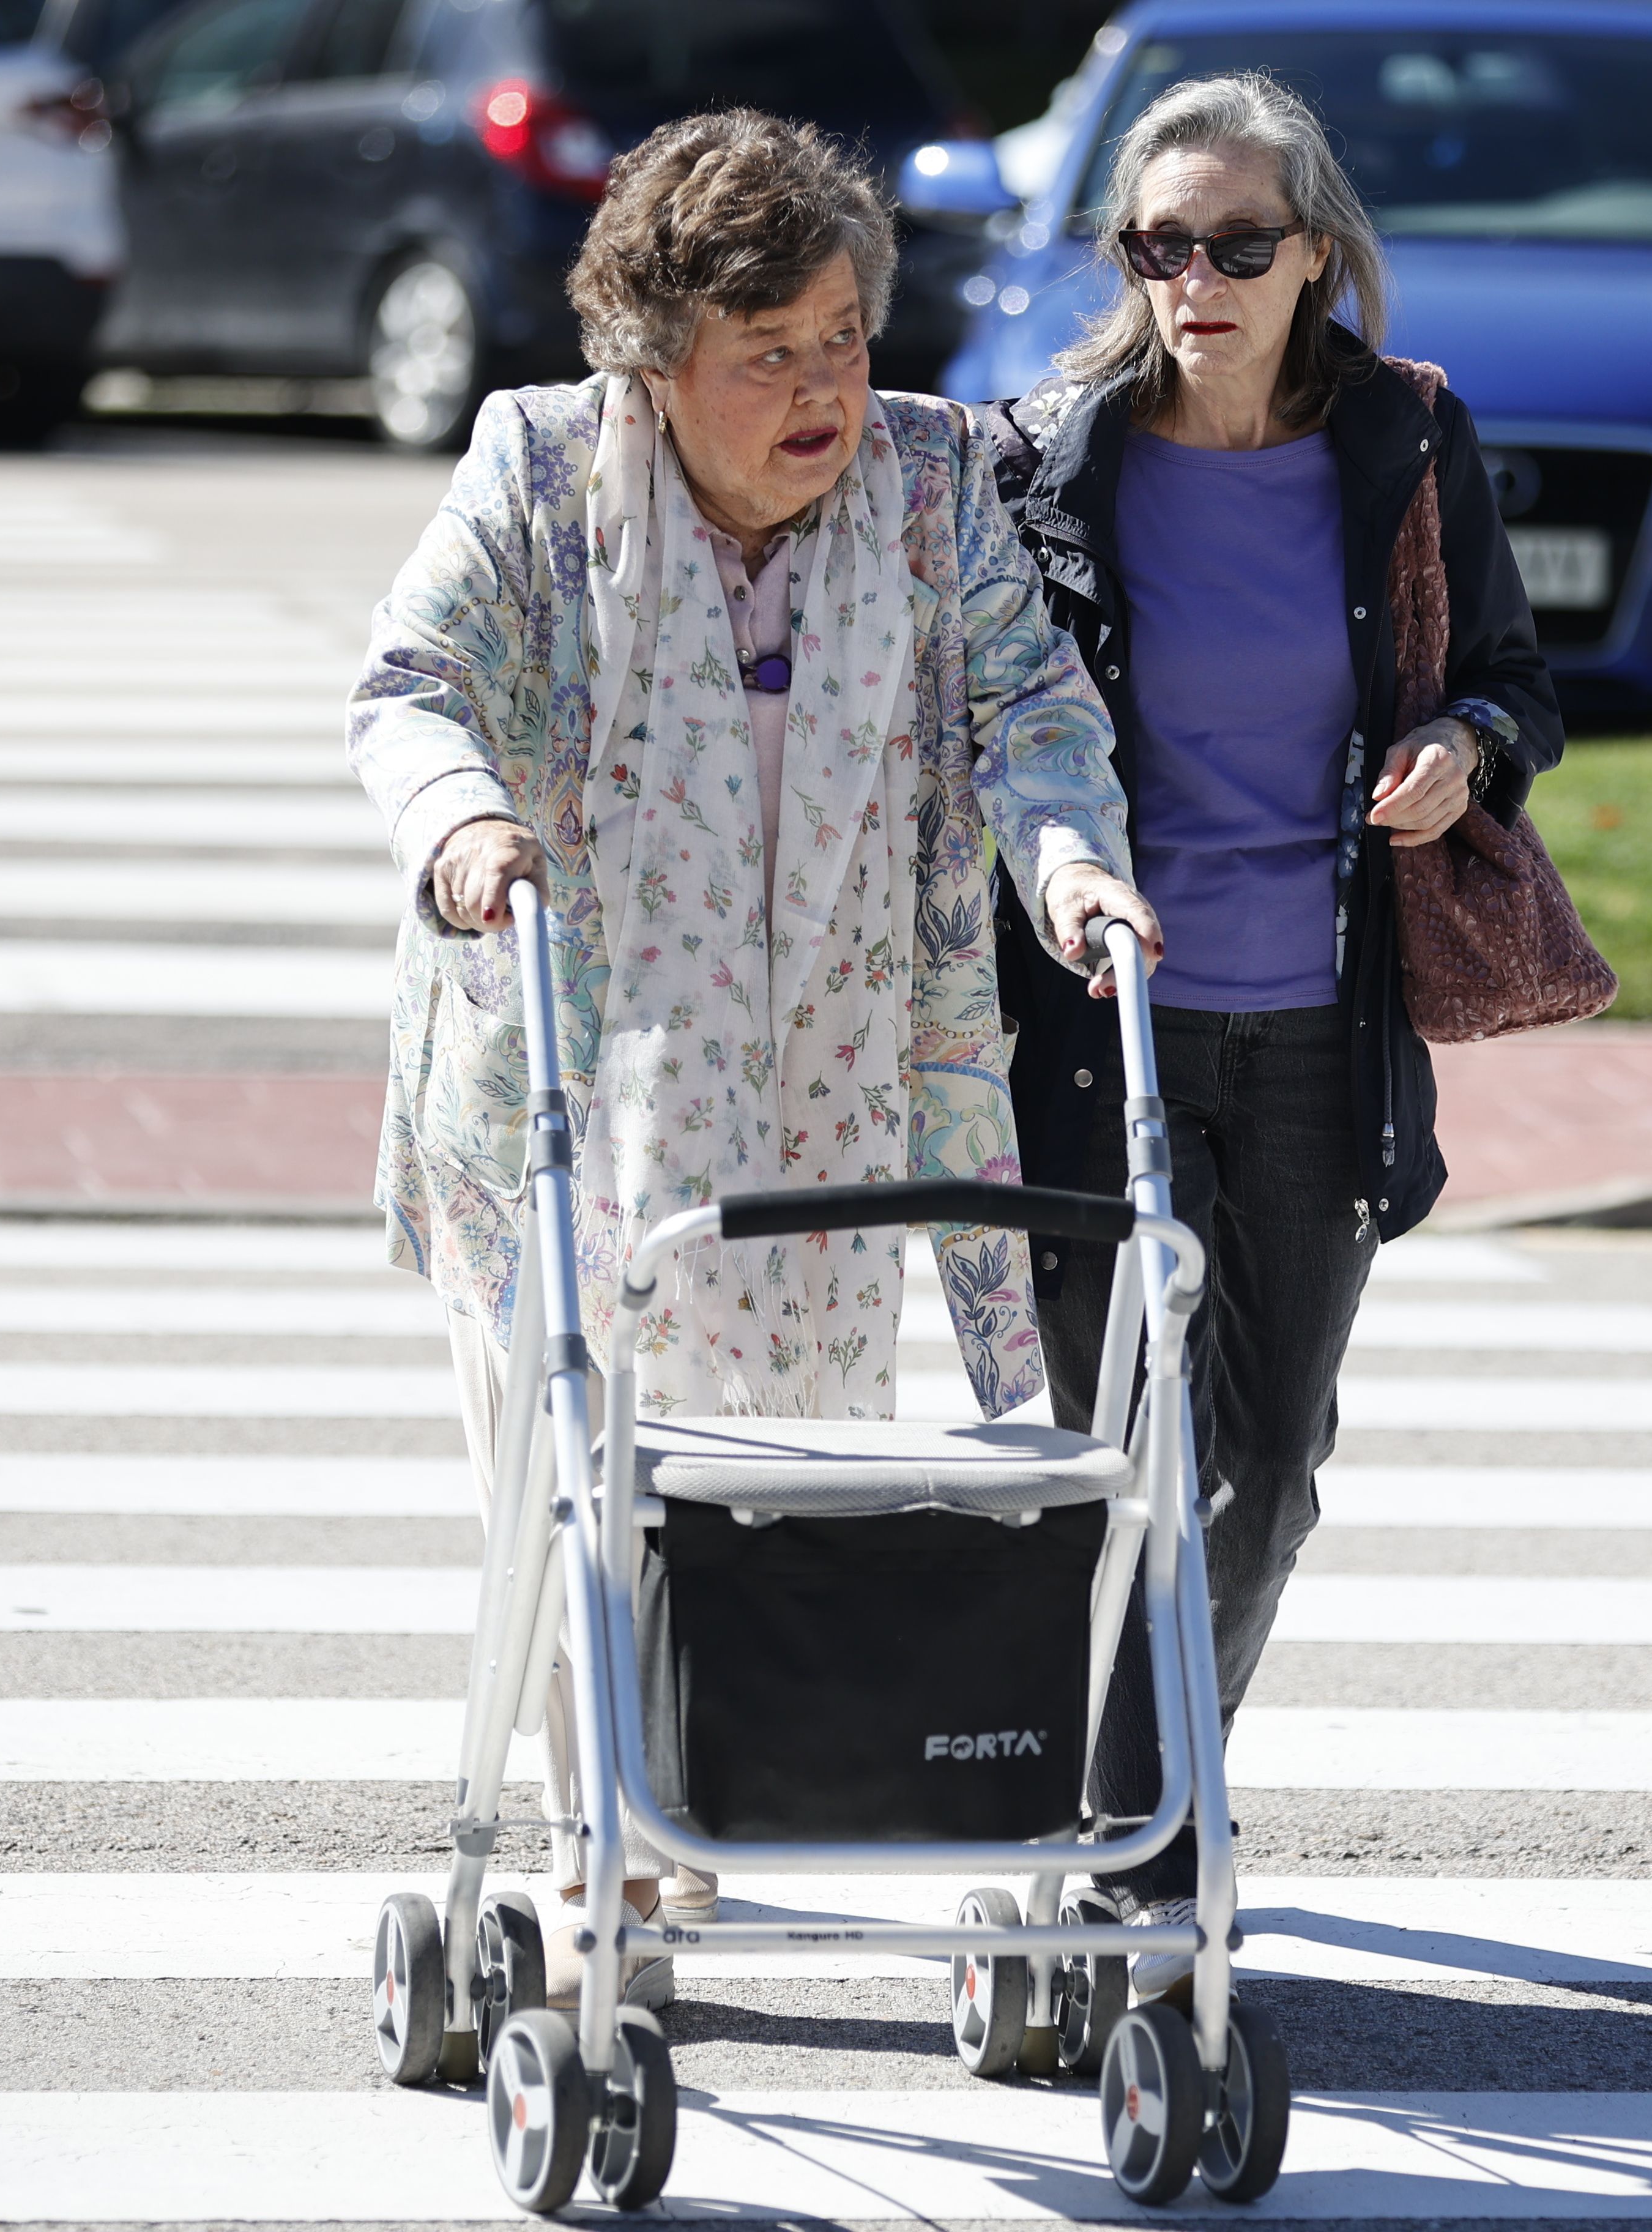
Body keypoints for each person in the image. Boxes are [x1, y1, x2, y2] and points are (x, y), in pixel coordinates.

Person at [348, 109, 1156, 2004]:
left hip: (839, 1077)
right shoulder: (545, 468)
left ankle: (749, 1803)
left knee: (781, 1485)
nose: (823, 389)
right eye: (766, 355)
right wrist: (463, 821)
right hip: (564, 1083)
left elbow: (1038, 709)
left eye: (844, 339)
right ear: (655, 362)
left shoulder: (934, 481)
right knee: (578, 1474)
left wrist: (1073, 869)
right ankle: (604, 1853)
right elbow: (412, 682)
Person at [988, 72, 1564, 1999]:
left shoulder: (1406, 440)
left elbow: (1509, 680)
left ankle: (1144, 1802)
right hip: (1104, 1028)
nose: (1199, 279)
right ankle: (1130, 1852)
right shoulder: (1056, 456)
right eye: (1160, 245)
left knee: (1272, 1465)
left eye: (1241, 244)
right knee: (1114, 1452)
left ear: (1316, 254)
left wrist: (1459, 749)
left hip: (1324, 1018)